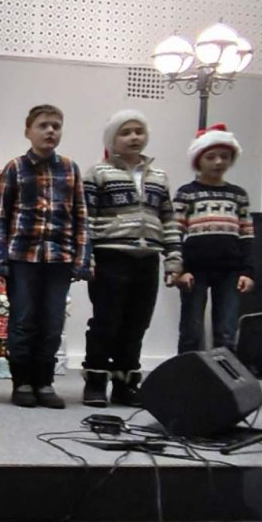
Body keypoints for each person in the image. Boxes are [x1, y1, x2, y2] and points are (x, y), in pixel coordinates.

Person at [0, 104, 90, 409]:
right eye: (43, 125)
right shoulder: (15, 168)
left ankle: (44, 382)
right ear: (28, 132)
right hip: (23, 258)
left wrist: (82, 259)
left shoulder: (70, 169)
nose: (50, 131)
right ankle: (22, 382)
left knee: (52, 323)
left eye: (56, 126)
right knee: (23, 320)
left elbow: (81, 216)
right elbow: (0, 216)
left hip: (59, 259)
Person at [81, 110, 181, 407]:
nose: (134, 137)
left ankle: (125, 384)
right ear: (112, 139)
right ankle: (96, 381)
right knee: (106, 321)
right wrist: (86, 258)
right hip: (111, 256)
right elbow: (86, 219)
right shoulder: (97, 173)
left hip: (147, 259)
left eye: (139, 131)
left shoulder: (159, 177)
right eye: (125, 132)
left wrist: (173, 259)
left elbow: (168, 219)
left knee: (137, 323)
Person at [173, 123, 255, 354]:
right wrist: (179, 270)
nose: (218, 162)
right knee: (191, 329)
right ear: (198, 160)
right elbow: (175, 233)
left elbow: (247, 234)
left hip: (230, 271)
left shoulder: (238, 195)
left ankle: (223, 374)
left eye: (224, 157)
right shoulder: (186, 193)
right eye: (211, 157)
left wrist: (247, 271)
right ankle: (186, 372)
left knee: (227, 331)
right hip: (194, 271)